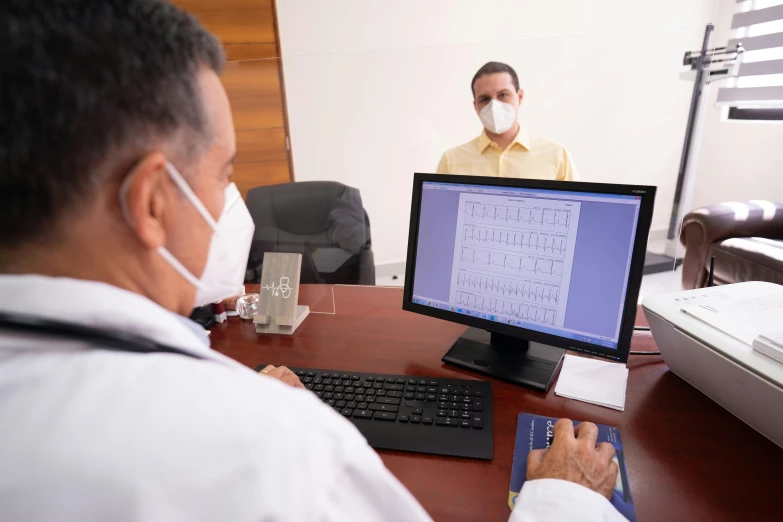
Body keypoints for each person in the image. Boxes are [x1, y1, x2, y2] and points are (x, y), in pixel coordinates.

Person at [0, 2, 623, 521]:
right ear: (154, 202)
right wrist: (562, 497)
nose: (232, 205)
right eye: (224, 175)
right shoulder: (267, 447)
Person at [437, 62, 579, 181]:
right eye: (485, 99)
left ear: (520, 96)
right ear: (475, 106)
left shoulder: (557, 155)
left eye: (503, 95)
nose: (494, 106)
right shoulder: (451, 160)